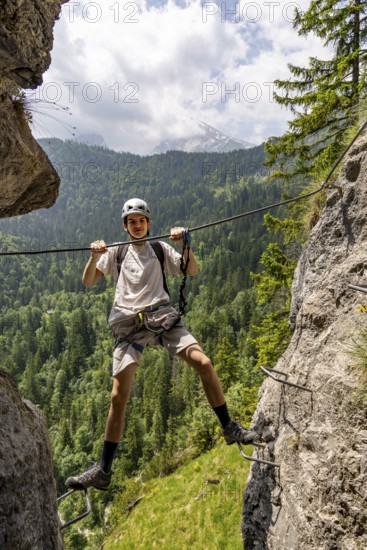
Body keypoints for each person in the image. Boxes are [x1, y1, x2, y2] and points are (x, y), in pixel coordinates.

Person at [65, 198, 258, 491]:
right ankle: (104, 469)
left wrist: (185, 245)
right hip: (129, 324)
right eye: (132, 221)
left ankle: (229, 427)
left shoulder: (158, 248)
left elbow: (190, 271)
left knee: (204, 363)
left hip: (162, 317)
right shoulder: (115, 251)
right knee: (118, 396)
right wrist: (93, 256)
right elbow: (89, 280)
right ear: (125, 226)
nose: (138, 225)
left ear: (148, 223)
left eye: (141, 220)